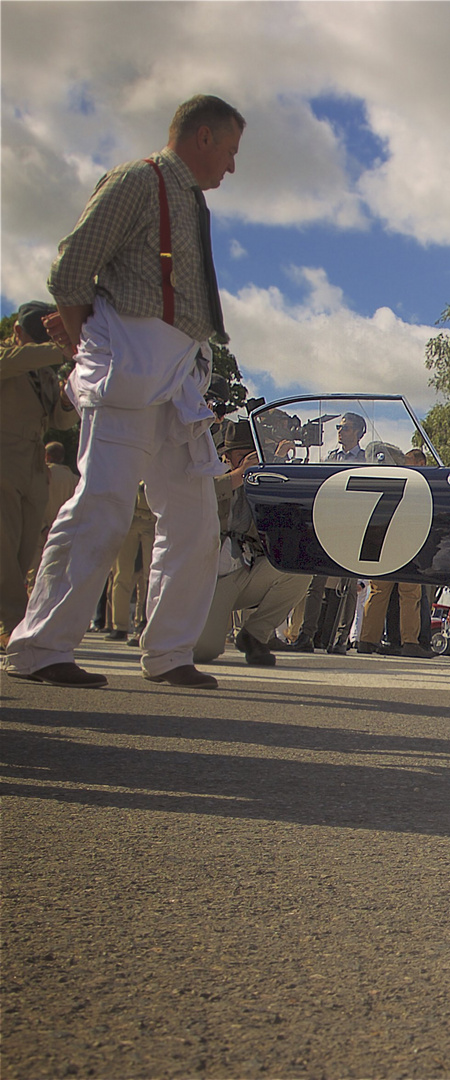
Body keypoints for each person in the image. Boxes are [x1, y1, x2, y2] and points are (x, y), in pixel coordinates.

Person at [5, 94, 245, 690]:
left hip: (178, 372)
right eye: (231, 151)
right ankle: (40, 648)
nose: (232, 168)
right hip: (131, 366)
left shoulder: (189, 199)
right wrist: (94, 336)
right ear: (205, 137)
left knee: (192, 520)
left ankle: (169, 653)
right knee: (104, 503)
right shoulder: (140, 181)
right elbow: (71, 267)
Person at [194, 421, 312, 666]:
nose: (251, 459)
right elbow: (195, 495)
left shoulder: (261, 479)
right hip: (208, 579)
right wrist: (238, 475)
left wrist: (273, 468)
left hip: (244, 570)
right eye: (243, 454)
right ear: (226, 455)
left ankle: (255, 636)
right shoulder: (208, 472)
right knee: (204, 650)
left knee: (298, 572)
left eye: (254, 453)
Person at [2, 302, 78, 644]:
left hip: (34, 467)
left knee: (27, 550)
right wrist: (64, 347)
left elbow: (60, 422)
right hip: (4, 460)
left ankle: (13, 624)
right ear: (18, 333)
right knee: (5, 551)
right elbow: (23, 359)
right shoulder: (8, 358)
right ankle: (16, 626)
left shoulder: (46, 374)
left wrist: (65, 401)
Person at [105, 485, 155, 642]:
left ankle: (145, 624)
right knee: (121, 574)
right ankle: (119, 626)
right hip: (128, 517)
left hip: (153, 518)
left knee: (151, 576)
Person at [44, 443, 78, 530]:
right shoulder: (75, 480)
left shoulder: (40, 475)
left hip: (40, 533)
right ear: (62, 458)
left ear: (47, 456)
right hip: (63, 531)